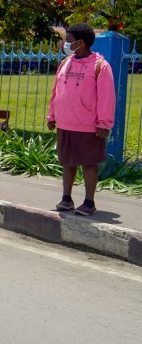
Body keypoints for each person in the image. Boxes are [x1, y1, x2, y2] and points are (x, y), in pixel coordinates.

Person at [47, 23, 116, 216]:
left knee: (88, 163)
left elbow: (107, 97)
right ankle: (66, 198)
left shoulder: (101, 66)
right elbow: (56, 92)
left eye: (68, 41)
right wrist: (52, 115)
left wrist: (104, 122)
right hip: (65, 122)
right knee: (67, 162)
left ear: (81, 43)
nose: (65, 44)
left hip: (87, 125)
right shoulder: (65, 63)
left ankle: (89, 202)